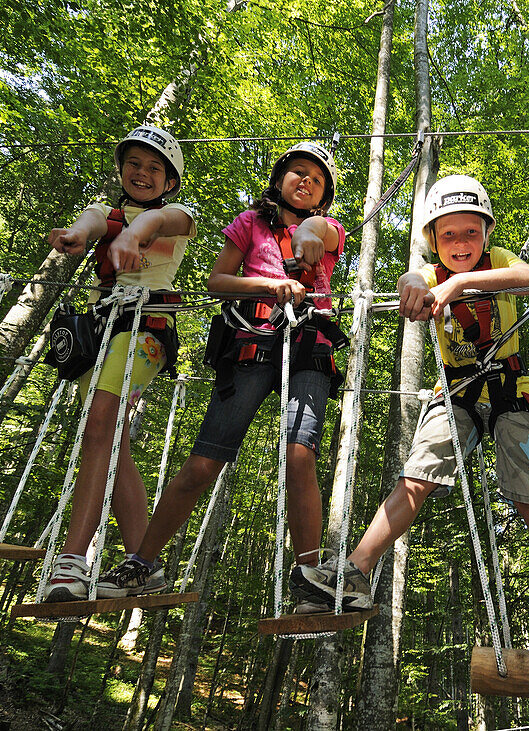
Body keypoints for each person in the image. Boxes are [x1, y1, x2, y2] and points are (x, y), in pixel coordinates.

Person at [291, 175, 529, 652]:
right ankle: (354, 572)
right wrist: (418, 285)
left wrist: (458, 284)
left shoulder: (496, 263)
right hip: (455, 391)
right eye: (448, 235)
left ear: (487, 234)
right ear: (433, 240)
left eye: (471, 233)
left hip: (508, 390)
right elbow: (411, 280)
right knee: (417, 478)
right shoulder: (428, 274)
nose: (460, 244)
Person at [97, 142, 346, 610]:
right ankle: (143, 564)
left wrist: (311, 228)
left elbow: (321, 233)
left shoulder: (326, 227)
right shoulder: (250, 224)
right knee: (204, 463)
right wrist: (270, 285)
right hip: (250, 342)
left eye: (316, 178)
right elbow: (217, 281)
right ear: (279, 180)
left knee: (300, 456)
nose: (306, 181)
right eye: (297, 172)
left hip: (309, 343)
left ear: (323, 196)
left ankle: (310, 574)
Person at [44, 125, 196, 602]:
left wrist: (133, 232)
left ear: (170, 181)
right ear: (121, 170)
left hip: (145, 331)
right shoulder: (106, 213)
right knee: (112, 444)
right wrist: (74, 236)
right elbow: (92, 224)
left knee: (99, 426)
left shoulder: (178, 214)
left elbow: (154, 225)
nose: (143, 173)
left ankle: (71, 561)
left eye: (155, 168)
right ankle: (142, 563)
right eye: (134, 164)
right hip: (100, 336)